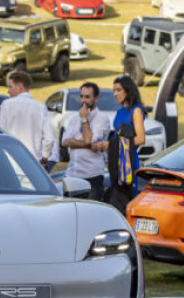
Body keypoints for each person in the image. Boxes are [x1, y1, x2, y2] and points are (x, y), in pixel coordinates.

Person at [92, 75, 146, 214]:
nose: (115, 94)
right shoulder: (119, 112)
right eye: (114, 90)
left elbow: (140, 139)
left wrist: (112, 145)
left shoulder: (136, 110)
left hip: (128, 160)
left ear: (127, 90)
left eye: (118, 90)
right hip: (116, 160)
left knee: (125, 197)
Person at [0, 69, 54, 169]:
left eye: (10, 86)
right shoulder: (40, 107)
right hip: (33, 163)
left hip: (11, 160)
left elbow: (0, 134)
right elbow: (49, 139)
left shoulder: (7, 104)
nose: (8, 91)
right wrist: (44, 158)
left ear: (20, 86)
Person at [61, 83, 110, 201]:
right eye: (81, 96)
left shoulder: (102, 118)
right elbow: (65, 141)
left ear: (96, 98)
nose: (83, 100)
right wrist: (86, 145)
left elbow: (90, 140)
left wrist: (84, 119)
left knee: (91, 213)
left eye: (87, 97)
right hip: (73, 173)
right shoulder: (74, 118)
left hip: (91, 175)